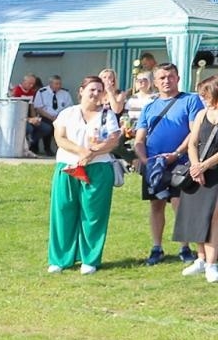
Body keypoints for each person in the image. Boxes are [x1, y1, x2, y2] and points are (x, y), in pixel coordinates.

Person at [46, 76, 122, 276]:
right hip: (68, 167)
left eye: (99, 90)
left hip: (98, 168)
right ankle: (60, 259)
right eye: (92, 89)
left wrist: (93, 153)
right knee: (63, 211)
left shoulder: (107, 115)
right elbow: (59, 137)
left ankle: (89, 259)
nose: (95, 94)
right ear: (81, 91)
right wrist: (81, 152)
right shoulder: (68, 113)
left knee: (93, 214)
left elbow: (114, 140)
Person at [133, 63, 204, 266]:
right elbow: (139, 139)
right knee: (156, 205)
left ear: (178, 78)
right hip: (154, 165)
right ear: (155, 82)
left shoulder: (190, 100)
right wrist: (145, 160)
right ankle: (157, 247)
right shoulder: (149, 107)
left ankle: (184, 246)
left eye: (170, 77)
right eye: (162, 77)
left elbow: (194, 132)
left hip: (180, 163)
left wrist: (176, 153)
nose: (166, 81)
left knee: (179, 205)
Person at [171, 76, 218, 283]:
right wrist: (195, 166)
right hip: (197, 172)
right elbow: (192, 143)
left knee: (213, 217)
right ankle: (200, 258)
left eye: (205, 95)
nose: (203, 99)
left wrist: (204, 165)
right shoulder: (201, 114)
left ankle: (212, 263)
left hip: (213, 172)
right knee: (196, 215)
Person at [30, 76, 71, 157]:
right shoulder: (42, 92)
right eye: (56, 84)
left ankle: (64, 149)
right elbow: (38, 108)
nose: (58, 86)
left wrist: (59, 117)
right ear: (50, 84)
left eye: (59, 84)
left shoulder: (65, 93)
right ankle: (46, 148)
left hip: (60, 118)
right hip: (45, 116)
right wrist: (51, 118)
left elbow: (69, 108)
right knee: (48, 126)